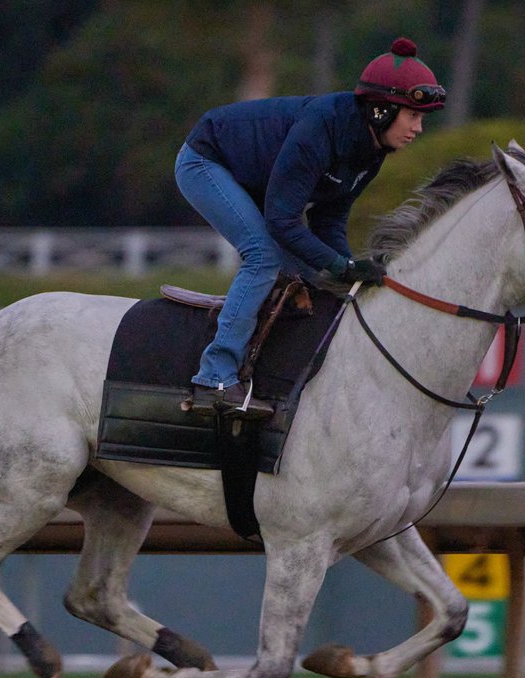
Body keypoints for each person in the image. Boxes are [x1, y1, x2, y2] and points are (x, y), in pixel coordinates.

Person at [176, 37, 445, 418]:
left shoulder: (373, 149)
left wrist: (345, 273)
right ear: (382, 111)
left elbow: (328, 218)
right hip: (206, 161)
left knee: (307, 274)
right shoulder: (320, 129)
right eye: (413, 116)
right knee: (264, 255)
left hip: (255, 184)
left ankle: (269, 375)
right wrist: (341, 266)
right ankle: (214, 378)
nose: (419, 128)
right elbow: (282, 222)